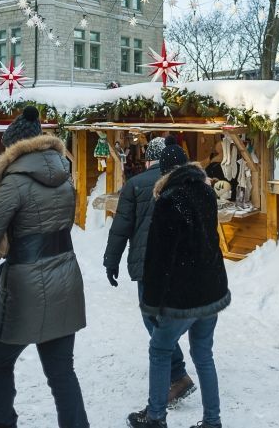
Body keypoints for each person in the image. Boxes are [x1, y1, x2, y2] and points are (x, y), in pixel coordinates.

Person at [0, 106, 89, 428]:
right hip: (65, 276)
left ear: (13, 148)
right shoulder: (65, 175)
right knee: (62, 372)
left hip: (25, 284)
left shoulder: (13, 183)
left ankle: (1, 422)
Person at [128, 139, 231, 428]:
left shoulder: (169, 200)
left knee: (160, 350)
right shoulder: (205, 193)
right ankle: (212, 421)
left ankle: (155, 416)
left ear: (164, 170)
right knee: (203, 354)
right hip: (210, 289)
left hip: (183, 295)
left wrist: (152, 300)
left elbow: (159, 257)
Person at [104, 136, 197, 406]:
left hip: (147, 265)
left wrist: (112, 261)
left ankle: (177, 375)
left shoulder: (135, 184)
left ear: (148, 158)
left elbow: (121, 228)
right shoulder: (186, 182)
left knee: (152, 320)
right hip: (180, 263)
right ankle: (177, 372)